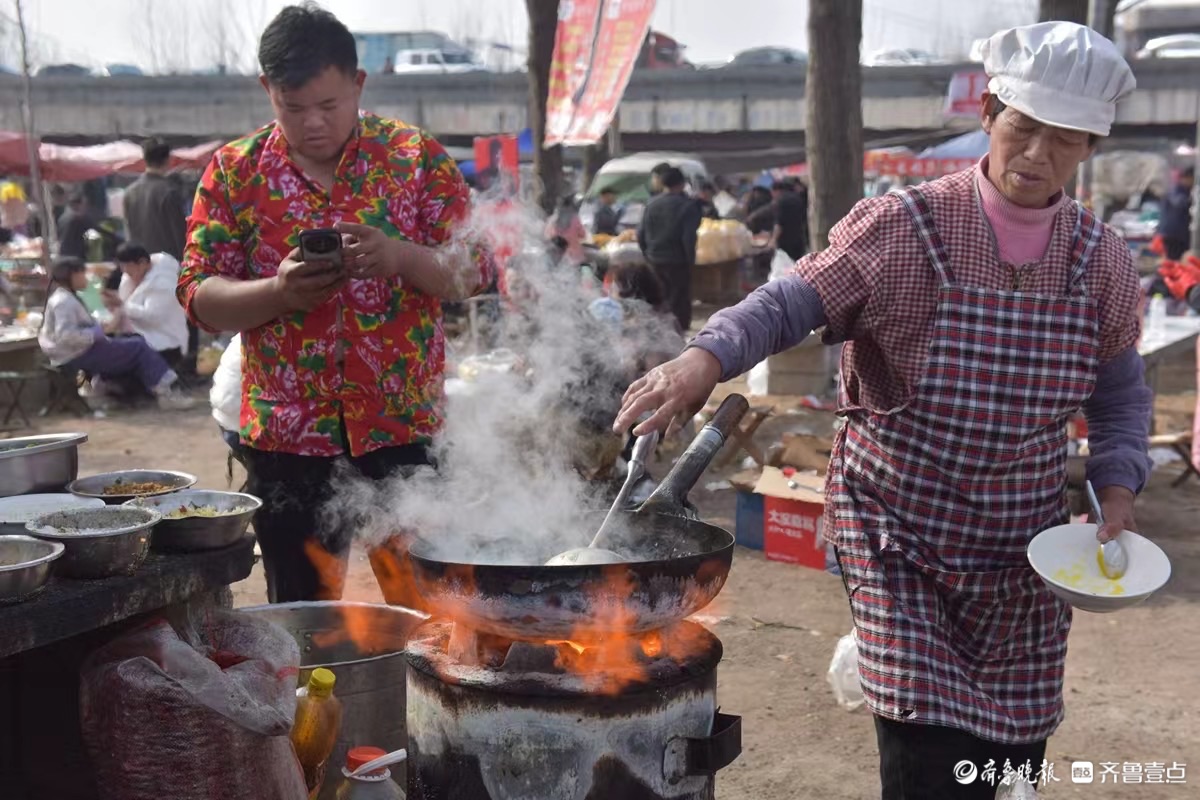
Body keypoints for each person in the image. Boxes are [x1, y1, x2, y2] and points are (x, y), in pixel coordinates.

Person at [615, 23, 1152, 799]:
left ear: (1088, 149)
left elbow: (1121, 395)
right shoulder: (905, 227)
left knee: (1012, 763)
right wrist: (707, 356)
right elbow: (791, 299)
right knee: (927, 761)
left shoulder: (1101, 261)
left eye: (1065, 140)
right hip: (900, 535)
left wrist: (1120, 486)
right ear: (990, 112)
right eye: (1024, 127)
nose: (1038, 154)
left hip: (1020, 549)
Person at [178, 4, 492, 606]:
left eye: (329, 105)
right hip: (289, 440)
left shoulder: (412, 158)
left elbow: (476, 270)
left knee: (431, 616)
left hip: (403, 428)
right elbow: (199, 297)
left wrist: (402, 257)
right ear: (267, 89)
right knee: (304, 621)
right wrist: (278, 292)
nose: (313, 124)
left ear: (358, 84)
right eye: (293, 109)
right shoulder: (235, 173)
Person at [39, 257, 193, 410]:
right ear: (71, 275)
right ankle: (167, 394)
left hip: (75, 352)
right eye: (82, 274)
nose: (85, 278)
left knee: (132, 341)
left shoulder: (66, 297)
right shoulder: (63, 301)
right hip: (75, 355)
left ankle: (110, 392)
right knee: (138, 347)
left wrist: (102, 325)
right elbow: (66, 335)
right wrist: (99, 331)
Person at [123, 136, 197, 378]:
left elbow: (129, 233)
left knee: (147, 321)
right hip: (169, 265)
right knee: (183, 317)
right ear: (168, 160)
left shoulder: (130, 193)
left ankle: (153, 368)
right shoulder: (169, 192)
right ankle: (185, 368)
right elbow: (181, 233)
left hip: (140, 267)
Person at [637, 166, 701, 331]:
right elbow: (688, 237)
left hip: (655, 259)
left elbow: (640, 234)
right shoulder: (688, 206)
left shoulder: (651, 204)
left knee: (659, 297)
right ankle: (678, 334)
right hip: (677, 260)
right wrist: (690, 261)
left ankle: (659, 332)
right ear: (681, 184)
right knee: (679, 299)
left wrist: (647, 255)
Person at [106, 243, 189, 370]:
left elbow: (153, 317)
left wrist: (123, 306)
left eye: (128, 267)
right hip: (137, 337)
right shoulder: (130, 275)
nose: (125, 272)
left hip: (164, 343)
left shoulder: (163, 284)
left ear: (143, 263)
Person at [1157, 166, 1194, 260]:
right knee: (1173, 259)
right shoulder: (1175, 189)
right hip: (1173, 234)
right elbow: (1179, 202)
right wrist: (1192, 199)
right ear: (1187, 178)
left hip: (1181, 234)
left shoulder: (1186, 190)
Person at [768, 179, 810, 261]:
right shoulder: (798, 198)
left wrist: (773, 240)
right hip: (799, 238)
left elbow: (779, 223)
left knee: (786, 265)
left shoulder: (780, 201)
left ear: (776, 191)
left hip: (785, 241)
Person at [545, 196, 587, 266]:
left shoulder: (554, 218)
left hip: (556, 255)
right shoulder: (575, 219)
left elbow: (547, 235)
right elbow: (583, 235)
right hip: (573, 256)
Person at [57, 193, 95, 260]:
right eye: (85, 204)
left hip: (63, 255)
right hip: (76, 258)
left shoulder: (62, 218)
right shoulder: (81, 219)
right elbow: (92, 238)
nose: (86, 207)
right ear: (79, 205)